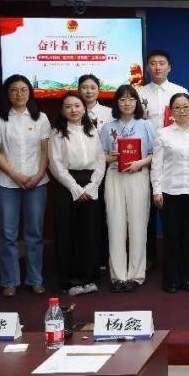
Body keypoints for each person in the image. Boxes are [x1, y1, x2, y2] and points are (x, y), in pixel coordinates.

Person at [0, 75, 51, 297]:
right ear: (7, 93)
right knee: (8, 233)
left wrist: (38, 175)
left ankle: (35, 279)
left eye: (23, 90)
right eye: (14, 90)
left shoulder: (41, 118)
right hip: (6, 183)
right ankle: (10, 280)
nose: (19, 94)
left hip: (36, 183)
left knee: (35, 233)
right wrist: (15, 175)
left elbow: (45, 151)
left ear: (30, 93)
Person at [151, 93, 189, 293]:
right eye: (177, 107)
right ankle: (171, 279)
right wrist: (156, 190)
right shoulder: (163, 134)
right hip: (169, 191)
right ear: (171, 111)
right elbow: (157, 165)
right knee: (171, 237)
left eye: (186, 107)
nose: (182, 111)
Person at [99, 84, 156, 293]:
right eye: (122, 99)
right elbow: (100, 156)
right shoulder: (107, 127)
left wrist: (140, 163)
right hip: (115, 175)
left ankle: (136, 275)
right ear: (116, 103)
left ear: (137, 102)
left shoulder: (146, 125)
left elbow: (155, 153)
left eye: (131, 99)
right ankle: (118, 276)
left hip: (138, 175)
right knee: (115, 225)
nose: (127, 103)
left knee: (138, 225)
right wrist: (111, 157)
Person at [48, 92, 106, 296]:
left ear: (84, 108)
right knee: (67, 233)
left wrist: (92, 185)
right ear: (62, 110)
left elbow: (100, 159)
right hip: (66, 184)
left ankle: (89, 278)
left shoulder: (92, 130)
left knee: (90, 232)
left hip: (91, 183)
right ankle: (70, 281)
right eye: (68, 106)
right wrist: (75, 188)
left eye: (77, 106)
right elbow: (55, 164)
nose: (73, 110)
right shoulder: (57, 132)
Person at [138, 49, 189, 271]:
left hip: (174, 159)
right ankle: (149, 255)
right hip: (144, 158)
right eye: (153, 63)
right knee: (147, 211)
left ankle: (176, 255)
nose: (157, 67)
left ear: (170, 67)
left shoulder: (180, 91)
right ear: (147, 67)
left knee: (174, 211)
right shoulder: (139, 93)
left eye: (162, 63)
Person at [78, 73, 113, 271]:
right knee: (85, 216)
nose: (88, 91)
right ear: (79, 90)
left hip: (106, 170)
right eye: (84, 87)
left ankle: (102, 257)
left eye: (92, 87)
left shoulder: (109, 113)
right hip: (81, 171)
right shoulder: (74, 111)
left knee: (103, 214)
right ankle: (84, 257)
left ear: (99, 90)